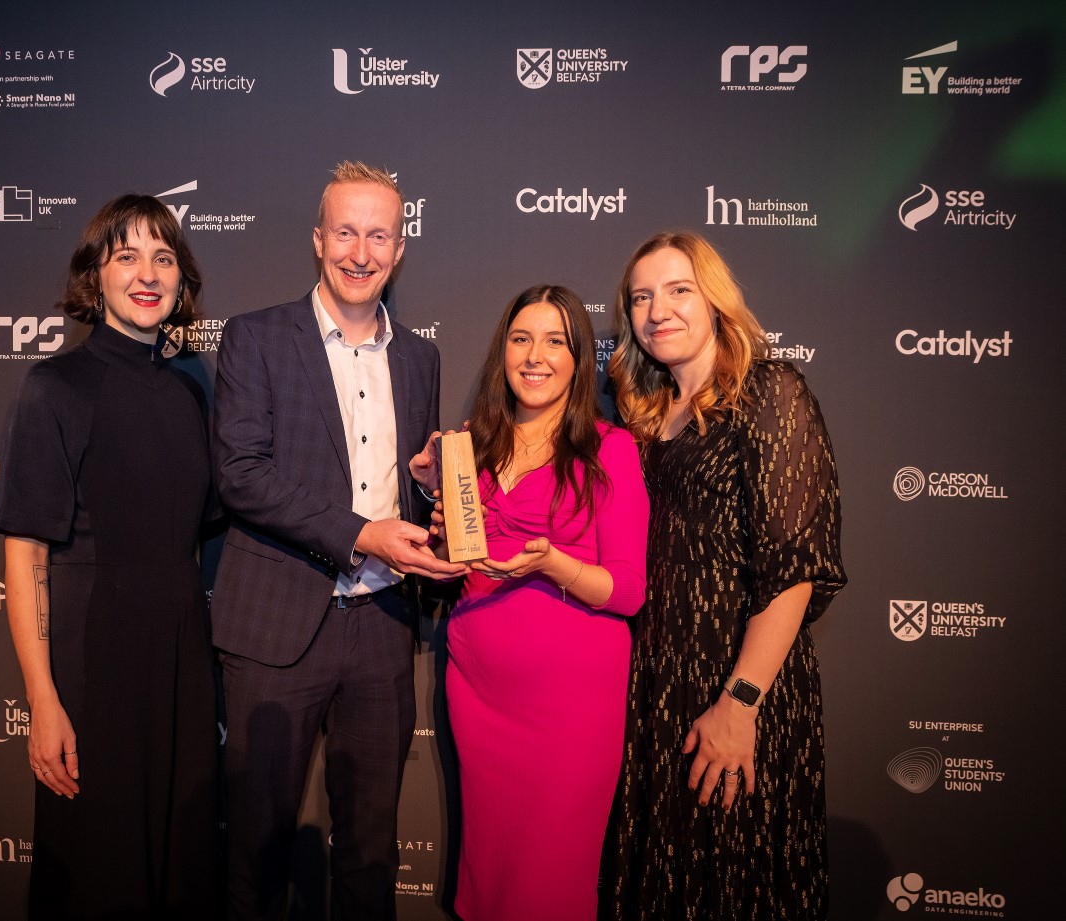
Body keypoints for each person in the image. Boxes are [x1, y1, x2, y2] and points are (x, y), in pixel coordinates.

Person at [210, 161, 466, 921]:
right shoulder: (255, 338)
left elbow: (406, 496)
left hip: (383, 629)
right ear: (319, 240)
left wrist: (425, 486)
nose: (361, 252)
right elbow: (242, 475)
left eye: (378, 235)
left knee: (370, 852)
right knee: (254, 851)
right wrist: (365, 534)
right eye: (346, 232)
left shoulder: (421, 356)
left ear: (400, 247)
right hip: (277, 626)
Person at [602, 232, 847, 920]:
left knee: (738, 884)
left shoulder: (770, 390)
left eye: (679, 290)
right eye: (642, 297)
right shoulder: (647, 422)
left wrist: (739, 703)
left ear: (715, 300)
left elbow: (795, 567)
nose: (658, 310)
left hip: (739, 687)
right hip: (658, 695)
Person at [0, 194, 220, 918]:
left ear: (182, 279)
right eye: (127, 256)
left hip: (183, 663)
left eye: (163, 257)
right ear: (96, 277)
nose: (147, 273)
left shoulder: (194, 389)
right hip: (95, 666)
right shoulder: (54, 387)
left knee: (178, 872)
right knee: (99, 873)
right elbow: (25, 557)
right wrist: (43, 700)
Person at [429, 285, 648, 921]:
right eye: (522, 338)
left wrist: (553, 563)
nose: (536, 355)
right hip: (477, 692)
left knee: (548, 881)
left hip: (568, 710)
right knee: (491, 876)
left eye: (556, 341)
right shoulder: (471, 443)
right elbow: (455, 569)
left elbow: (628, 591)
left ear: (580, 359)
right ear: (503, 351)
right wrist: (439, 528)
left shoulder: (611, 449)